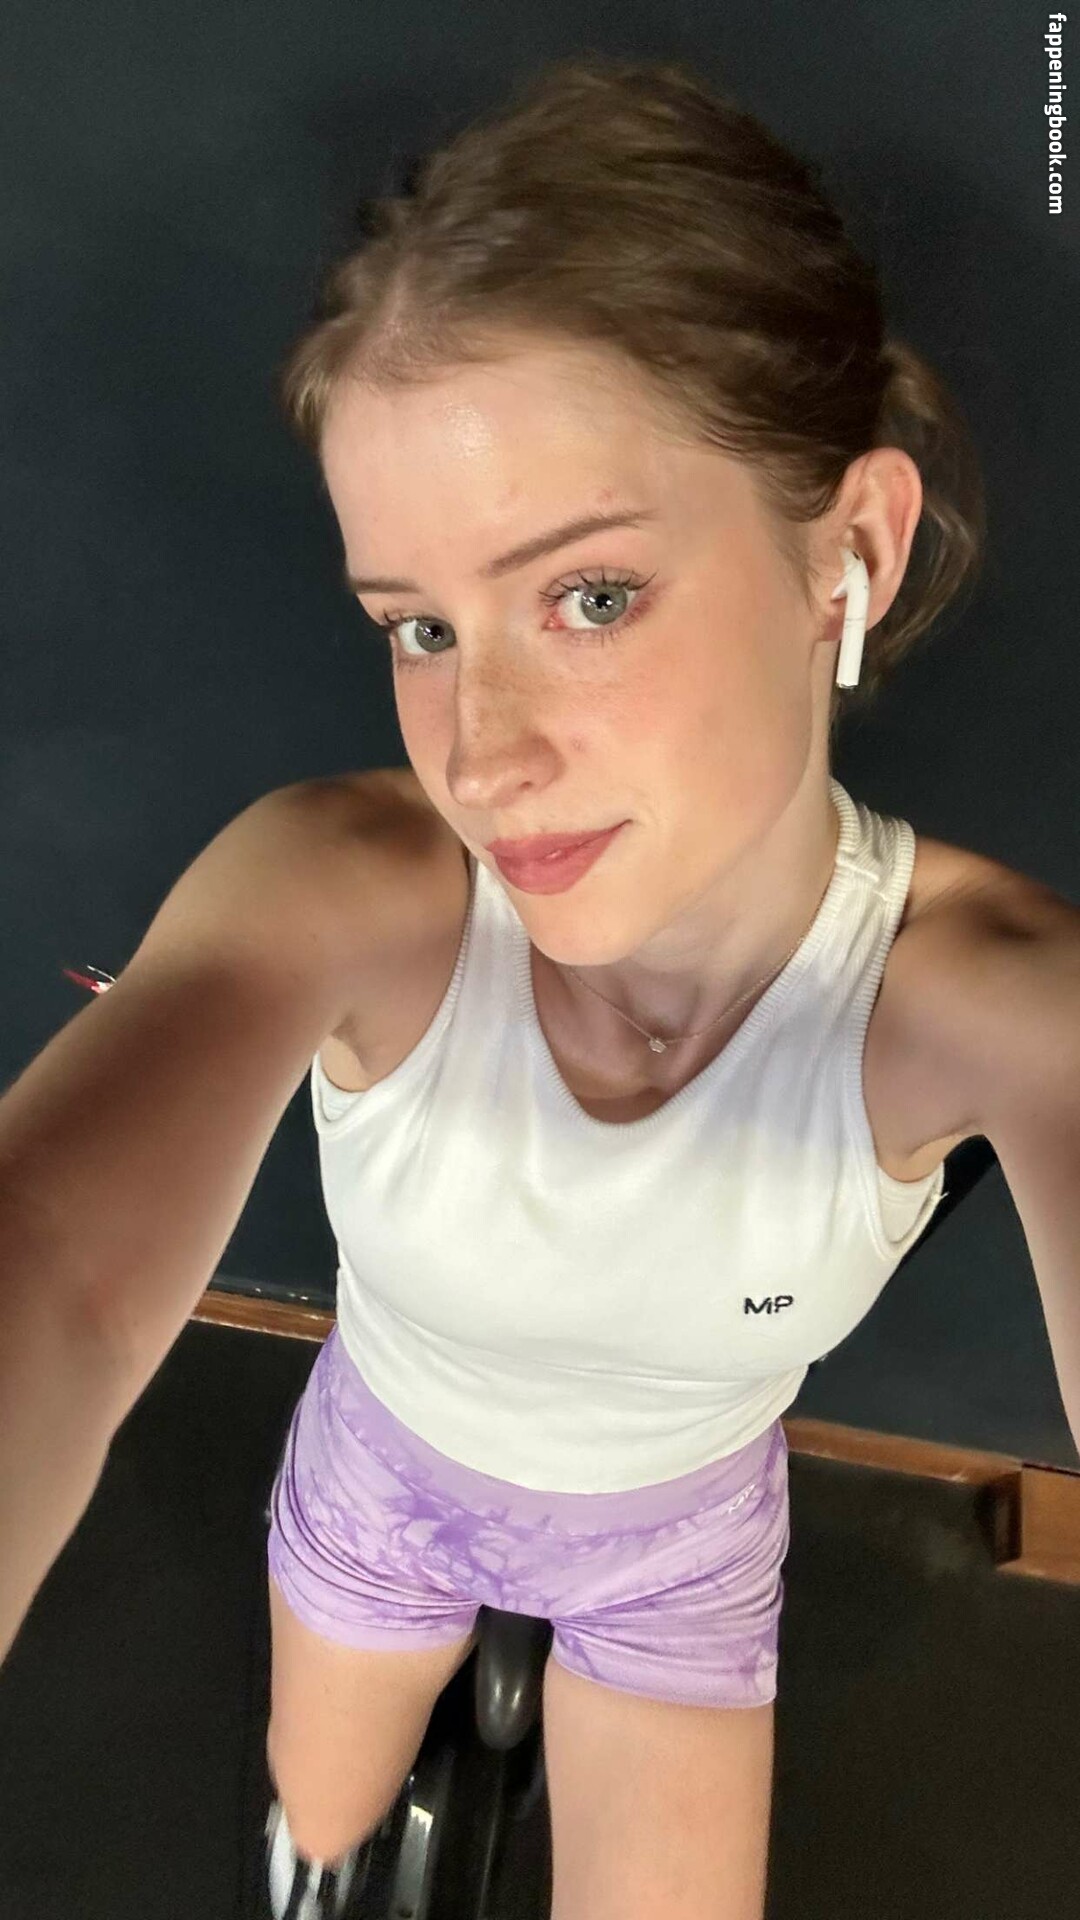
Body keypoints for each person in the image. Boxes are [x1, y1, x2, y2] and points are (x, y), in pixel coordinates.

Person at [0, 54, 986, 1920]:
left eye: (590, 597)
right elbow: (49, 1260)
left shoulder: (981, 992)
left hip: (681, 1549)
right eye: (421, 629)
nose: (482, 756)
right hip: (387, 1481)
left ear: (847, 550)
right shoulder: (349, 885)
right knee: (320, 1829)